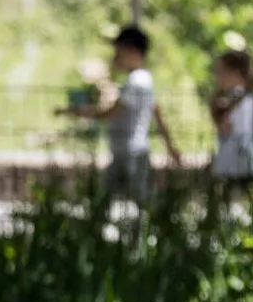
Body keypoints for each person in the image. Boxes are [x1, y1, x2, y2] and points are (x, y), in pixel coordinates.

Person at [73, 24, 181, 198]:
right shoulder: (143, 79)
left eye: (119, 52)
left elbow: (111, 112)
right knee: (114, 198)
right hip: (125, 150)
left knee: (137, 200)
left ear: (132, 51)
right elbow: (157, 114)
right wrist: (170, 145)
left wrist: (81, 111)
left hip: (131, 151)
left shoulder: (137, 81)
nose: (115, 58)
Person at [209, 48, 253, 181]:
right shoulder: (245, 97)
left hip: (238, 161)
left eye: (221, 72)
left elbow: (229, 127)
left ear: (235, 74)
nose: (217, 76)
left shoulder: (240, 97)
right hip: (241, 159)